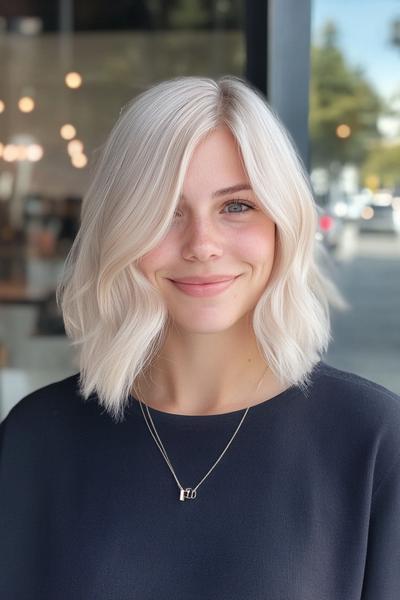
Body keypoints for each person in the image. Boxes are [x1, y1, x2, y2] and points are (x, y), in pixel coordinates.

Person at [1, 75, 399, 599]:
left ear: (284, 222)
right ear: (119, 228)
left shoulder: (374, 441)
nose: (202, 244)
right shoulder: (35, 438)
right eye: (165, 211)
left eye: (237, 206)